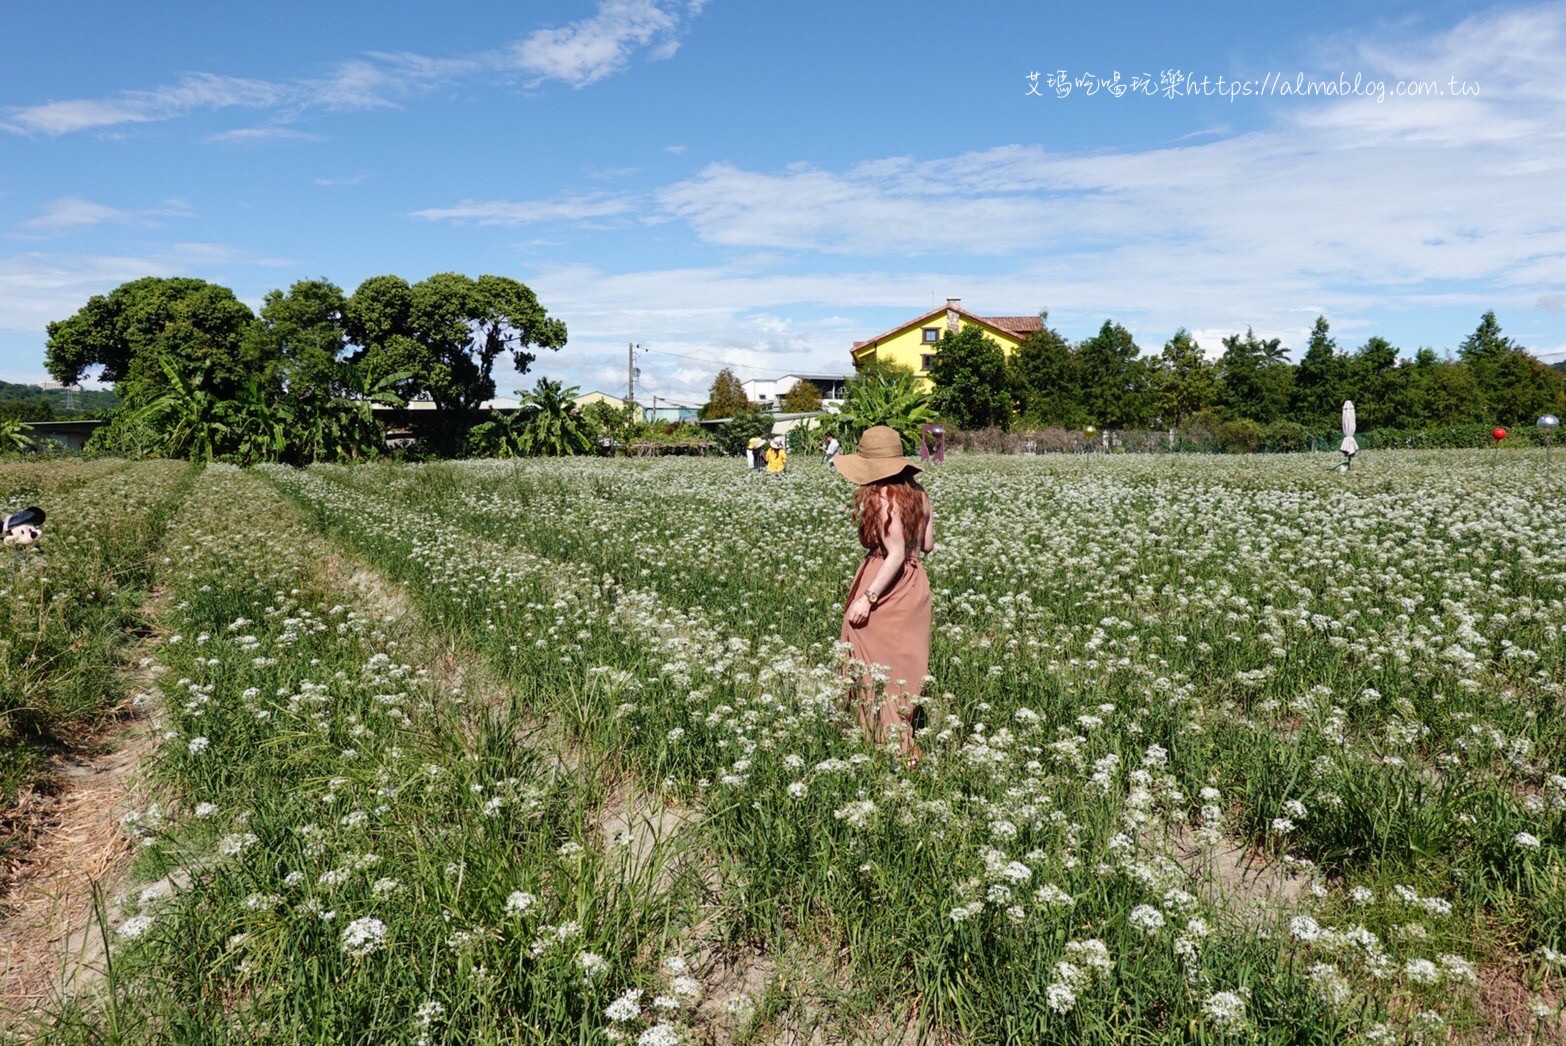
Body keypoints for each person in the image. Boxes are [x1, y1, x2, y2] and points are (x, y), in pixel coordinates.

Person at [831, 426, 933, 762]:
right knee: (902, 662)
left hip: (886, 582)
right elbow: (927, 546)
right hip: (915, 584)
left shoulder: (882, 497)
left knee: (866, 654)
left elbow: (895, 552)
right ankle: (897, 733)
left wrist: (868, 597)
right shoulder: (919, 493)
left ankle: (887, 744)